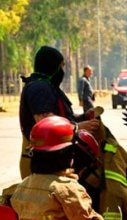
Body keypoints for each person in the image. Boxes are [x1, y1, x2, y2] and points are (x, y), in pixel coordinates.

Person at [19, 45, 99, 179]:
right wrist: (77, 127)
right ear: (51, 66)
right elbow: (47, 127)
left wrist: (84, 117)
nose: (62, 71)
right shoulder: (40, 88)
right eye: (60, 66)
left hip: (52, 163)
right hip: (43, 165)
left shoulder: (45, 85)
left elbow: (60, 117)